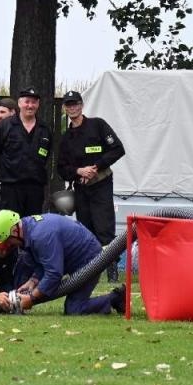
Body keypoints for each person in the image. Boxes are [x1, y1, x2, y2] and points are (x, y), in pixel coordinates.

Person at [0, 209, 122, 315]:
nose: (8, 246)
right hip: (73, 258)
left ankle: (116, 298)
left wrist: (31, 299)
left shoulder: (40, 236)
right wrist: (33, 281)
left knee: (74, 309)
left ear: (14, 231)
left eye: (7, 241)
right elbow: (44, 262)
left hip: (89, 259)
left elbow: (54, 274)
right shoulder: (28, 232)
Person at [56, 89, 126, 278]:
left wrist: (95, 167)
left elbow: (118, 149)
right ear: (65, 109)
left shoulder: (98, 125)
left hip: (101, 184)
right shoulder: (66, 138)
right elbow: (61, 168)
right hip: (81, 188)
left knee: (105, 229)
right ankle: (88, 272)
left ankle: (112, 269)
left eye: (75, 104)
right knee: (85, 230)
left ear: (82, 105)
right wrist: (78, 171)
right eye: (69, 105)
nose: (73, 108)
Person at [0, 87, 51, 216]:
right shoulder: (4, 126)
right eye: (27, 101)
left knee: (33, 227)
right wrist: (1, 173)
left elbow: (47, 155)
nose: (30, 105)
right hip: (11, 188)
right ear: (20, 103)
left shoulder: (44, 129)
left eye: (34, 102)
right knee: (12, 228)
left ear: (38, 104)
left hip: (35, 189)